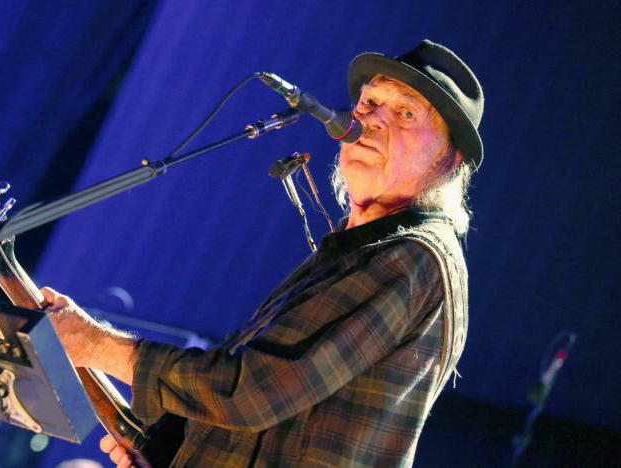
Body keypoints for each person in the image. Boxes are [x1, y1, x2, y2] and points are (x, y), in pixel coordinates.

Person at [41, 39, 483, 467]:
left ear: (448, 159)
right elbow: (267, 416)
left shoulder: (412, 259)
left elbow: (255, 390)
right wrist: (169, 449)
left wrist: (95, 344)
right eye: (369, 104)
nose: (371, 122)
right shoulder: (356, 251)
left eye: (405, 113)